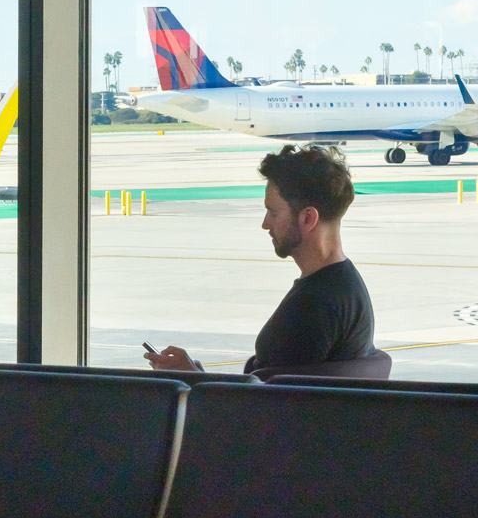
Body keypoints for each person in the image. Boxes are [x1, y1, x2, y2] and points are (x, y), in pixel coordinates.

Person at [146, 143, 374, 379]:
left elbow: (265, 410)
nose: (265, 223)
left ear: (308, 218)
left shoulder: (312, 307)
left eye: (273, 212)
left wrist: (192, 381)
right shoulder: (347, 287)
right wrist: (197, 376)